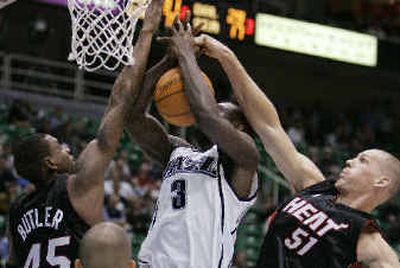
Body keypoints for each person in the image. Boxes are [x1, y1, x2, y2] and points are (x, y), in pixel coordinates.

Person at [194, 34, 400, 267]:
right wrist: (226, 56)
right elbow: (268, 125)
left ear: (381, 181)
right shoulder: (315, 187)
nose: (350, 161)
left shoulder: (367, 238)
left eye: (363, 160)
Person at [5, 0, 164, 266]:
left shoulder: (17, 210)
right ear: (50, 163)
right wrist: (146, 32)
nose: (67, 147)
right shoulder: (78, 185)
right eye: (59, 146)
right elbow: (119, 103)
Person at [126, 18, 260, 268]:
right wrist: (169, 61)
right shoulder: (178, 152)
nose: (212, 107)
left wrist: (187, 53)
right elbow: (133, 118)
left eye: (221, 110)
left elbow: (206, 116)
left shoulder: (245, 158)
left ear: (240, 128)